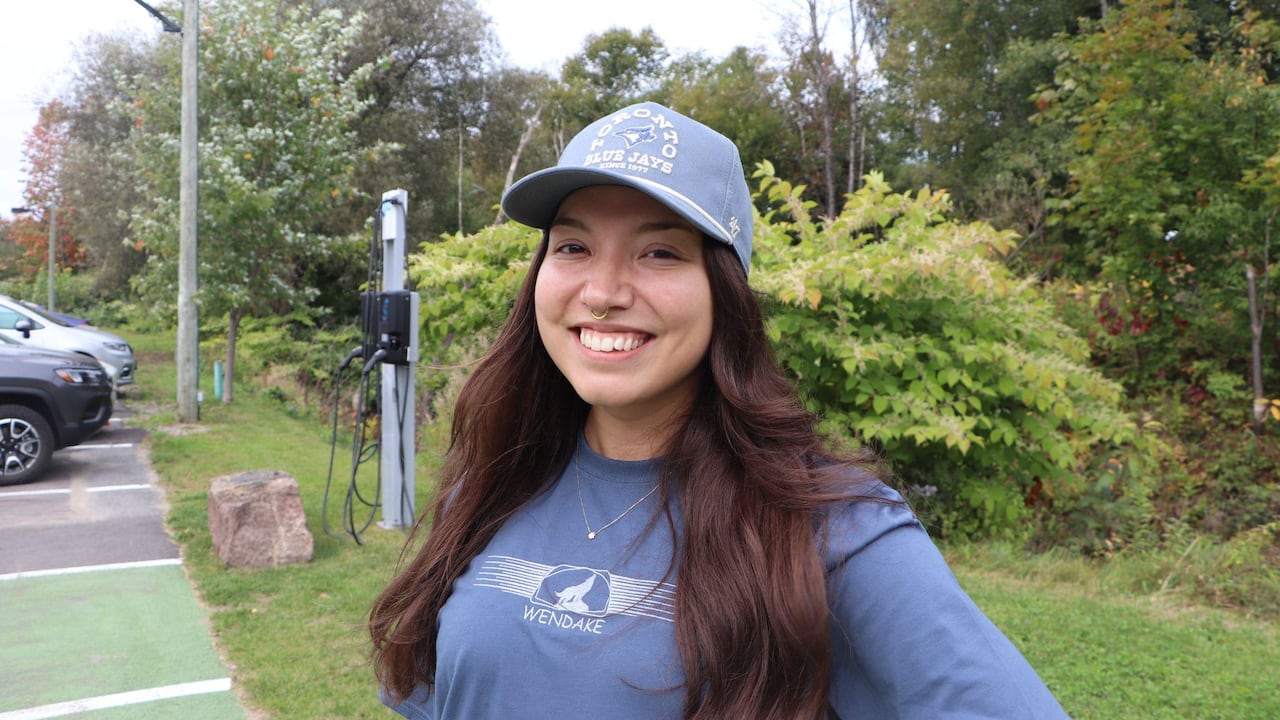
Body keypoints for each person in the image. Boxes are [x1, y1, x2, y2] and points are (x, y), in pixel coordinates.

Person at [369, 101, 1069, 720]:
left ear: (724, 290)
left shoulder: (829, 529)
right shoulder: (494, 481)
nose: (604, 291)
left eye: (660, 252)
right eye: (574, 246)